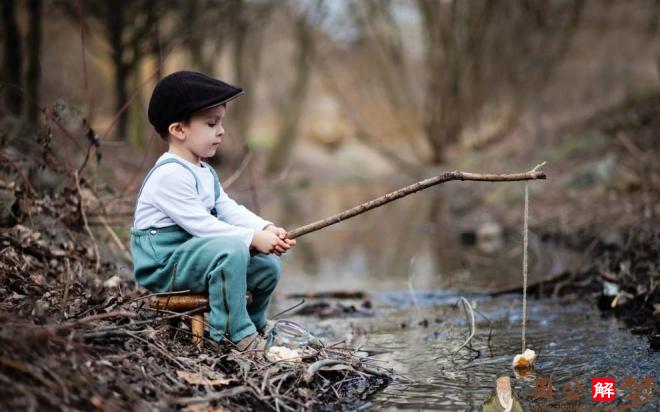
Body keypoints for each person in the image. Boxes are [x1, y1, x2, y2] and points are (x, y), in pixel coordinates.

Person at [130, 71, 295, 351]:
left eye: (221, 123)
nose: (221, 131)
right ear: (178, 130)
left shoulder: (204, 171)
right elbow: (202, 226)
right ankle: (234, 333)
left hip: (193, 255)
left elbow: (228, 209)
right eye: (211, 123)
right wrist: (252, 238)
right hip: (165, 264)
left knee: (267, 266)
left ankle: (254, 325)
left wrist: (265, 228)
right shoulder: (170, 174)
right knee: (231, 250)